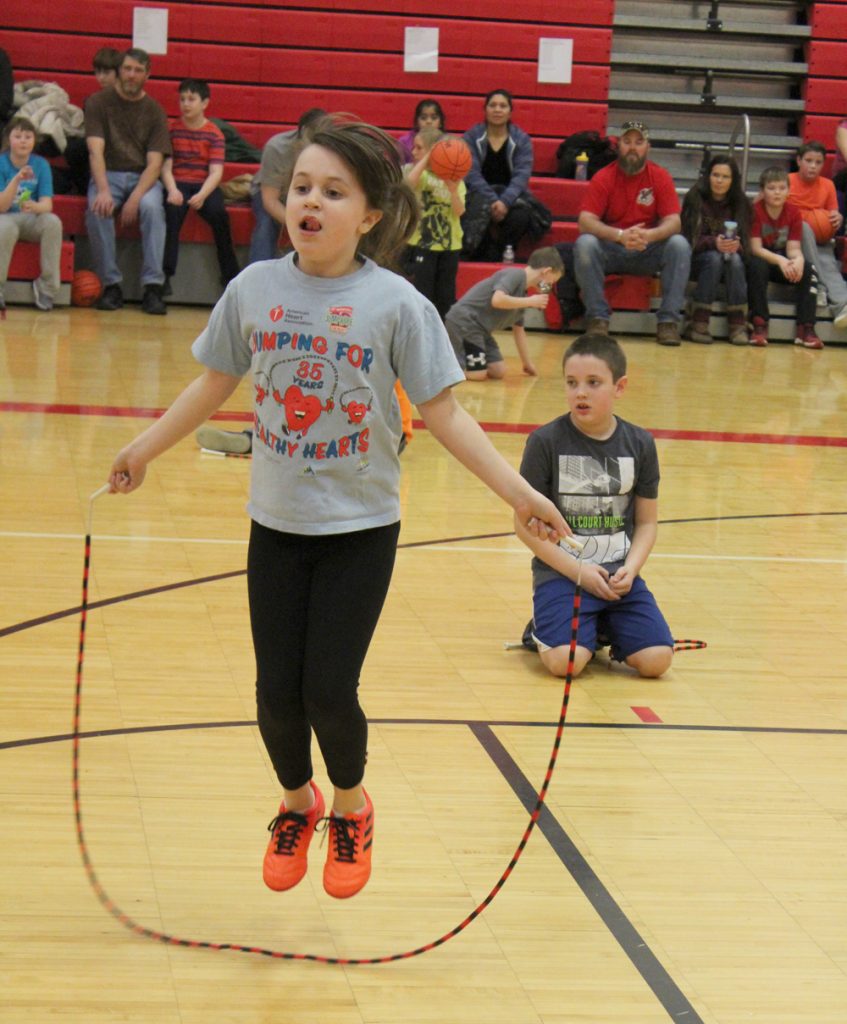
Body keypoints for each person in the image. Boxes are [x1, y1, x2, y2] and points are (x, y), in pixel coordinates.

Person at [107, 115, 570, 900]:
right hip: (274, 525)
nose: (309, 203)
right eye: (300, 189)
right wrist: (144, 447)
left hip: (360, 531)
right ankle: (298, 803)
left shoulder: (395, 304)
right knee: (273, 695)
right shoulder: (254, 289)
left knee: (328, 689)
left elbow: (447, 415)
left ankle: (351, 810)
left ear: (372, 214)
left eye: (333, 191)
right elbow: (213, 382)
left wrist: (521, 493)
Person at [516, 332, 674, 680]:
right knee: (565, 663)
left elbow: (647, 523)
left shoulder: (640, 444)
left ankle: (600, 624)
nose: (580, 392)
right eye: (571, 383)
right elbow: (523, 526)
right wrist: (578, 572)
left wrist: (630, 569)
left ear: (619, 387)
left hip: (616, 576)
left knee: (657, 660)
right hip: (563, 573)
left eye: (593, 382)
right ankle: (543, 630)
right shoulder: (545, 442)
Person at [574, 120, 691, 346]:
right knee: (585, 243)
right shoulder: (603, 177)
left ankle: (668, 323)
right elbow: (585, 221)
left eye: (639, 142)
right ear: (618, 146)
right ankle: (597, 319)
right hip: (613, 249)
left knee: (679, 244)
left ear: (648, 147)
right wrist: (620, 235)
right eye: (627, 142)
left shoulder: (660, 176)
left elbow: (674, 222)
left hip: (647, 249)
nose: (632, 148)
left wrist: (649, 236)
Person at [85, 48, 171, 314]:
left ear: (147, 74)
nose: (131, 75)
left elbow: (155, 163)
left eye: (137, 70)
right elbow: (95, 151)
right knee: (97, 209)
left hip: (142, 177)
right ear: (119, 71)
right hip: (107, 173)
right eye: (127, 69)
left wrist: (135, 198)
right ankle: (111, 285)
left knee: (152, 208)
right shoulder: (98, 102)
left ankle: (153, 287)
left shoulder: (155, 110)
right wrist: (102, 190)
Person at [161, 78, 239, 296]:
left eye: (191, 99)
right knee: (171, 214)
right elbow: (165, 167)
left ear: (204, 103)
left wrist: (203, 195)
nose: (186, 104)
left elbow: (216, 172)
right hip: (178, 183)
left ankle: (230, 276)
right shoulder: (172, 130)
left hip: (204, 184)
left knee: (220, 216)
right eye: (182, 99)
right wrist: (172, 189)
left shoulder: (214, 133)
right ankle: (165, 276)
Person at [444, 246, 564, 380]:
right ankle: (445, 371)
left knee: (498, 371)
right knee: (477, 374)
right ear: (546, 272)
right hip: (465, 322)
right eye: (551, 282)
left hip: (481, 330)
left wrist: (527, 363)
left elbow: (519, 331)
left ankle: (462, 362)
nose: (549, 287)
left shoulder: (523, 294)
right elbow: (498, 300)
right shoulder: (515, 275)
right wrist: (529, 301)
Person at [680, 154, 752, 344]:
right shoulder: (695, 197)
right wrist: (714, 243)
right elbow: (688, 239)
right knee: (713, 258)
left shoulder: (741, 203)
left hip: (731, 262)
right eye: (715, 175)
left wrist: (737, 246)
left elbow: (747, 244)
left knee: (735, 260)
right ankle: (698, 322)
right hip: (699, 260)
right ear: (708, 176)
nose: (719, 180)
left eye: (725, 177)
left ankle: (738, 324)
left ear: (733, 180)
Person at [748, 166, 821, 349]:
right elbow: (756, 248)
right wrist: (781, 261)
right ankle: (759, 324)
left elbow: (794, 248)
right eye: (771, 188)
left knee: (808, 269)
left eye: (781, 188)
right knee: (757, 266)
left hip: (783, 261)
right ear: (763, 191)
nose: (777, 193)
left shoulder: (794, 212)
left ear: (788, 191)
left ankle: (806, 328)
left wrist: (799, 261)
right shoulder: (755, 211)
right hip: (763, 260)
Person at [247, 107, 327, 264]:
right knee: (266, 223)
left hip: (309, 193)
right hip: (274, 192)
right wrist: (299, 225)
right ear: (302, 133)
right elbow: (270, 201)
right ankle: (257, 275)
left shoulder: (331, 149)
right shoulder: (277, 148)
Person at [461, 89, 534, 261]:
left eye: (503, 106)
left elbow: (522, 175)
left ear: (510, 112)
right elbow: (471, 173)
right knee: (476, 210)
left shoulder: (522, 139)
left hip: (511, 196)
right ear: (485, 110)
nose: (497, 109)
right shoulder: (471, 137)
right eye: (492, 105)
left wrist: (504, 201)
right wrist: (493, 200)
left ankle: (505, 251)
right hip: (478, 195)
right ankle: (485, 253)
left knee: (521, 216)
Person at [0, 116, 63, 313]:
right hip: (5, 217)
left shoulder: (41, 165)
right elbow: (2, 207)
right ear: (8, 140)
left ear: (34, 141)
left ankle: (46, 287)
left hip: (30, 218)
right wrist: (17, 179)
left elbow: (47, 204)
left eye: (28, 136)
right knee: (5, 227)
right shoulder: (1, 163)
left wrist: (36, 207)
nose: (23, 140)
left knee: (52, 222)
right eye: (18, 136)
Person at [402, 127, 465, 319]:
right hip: (421, 245)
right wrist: (428, 157)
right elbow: (407, 186)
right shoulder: (417, 174)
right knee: (422, 296)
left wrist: (453, 190)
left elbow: (460, 211)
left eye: (419, 148)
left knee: (445, 299)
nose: (413, 151)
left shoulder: (456, 178)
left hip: (449, 247)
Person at [788, 140, 847, 333]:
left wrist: (837, 218)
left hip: (819, 241)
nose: (813, 166)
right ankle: (819, 286)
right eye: (808, 160)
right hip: (791, 242)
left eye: (818, 162)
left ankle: (843, 306)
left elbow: (833, 215)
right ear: (799, 161)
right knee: (803, 227)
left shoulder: (828, 185)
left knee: (828, 263)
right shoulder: (786, 181)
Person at [61, 47, 123, 196]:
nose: (101, 77)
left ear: (119, 73)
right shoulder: (92, 101)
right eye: (97, 72)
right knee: (73, 148)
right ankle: (83, 189)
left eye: (106, 73)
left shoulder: (129, 100)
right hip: (98, 145)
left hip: (121, 149)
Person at [397, 98, 445, 164]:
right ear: (417, 122)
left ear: (440, 123)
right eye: (423, 118)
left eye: (434, 118)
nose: (429, 122)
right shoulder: (404, 142)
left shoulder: (447, 143)